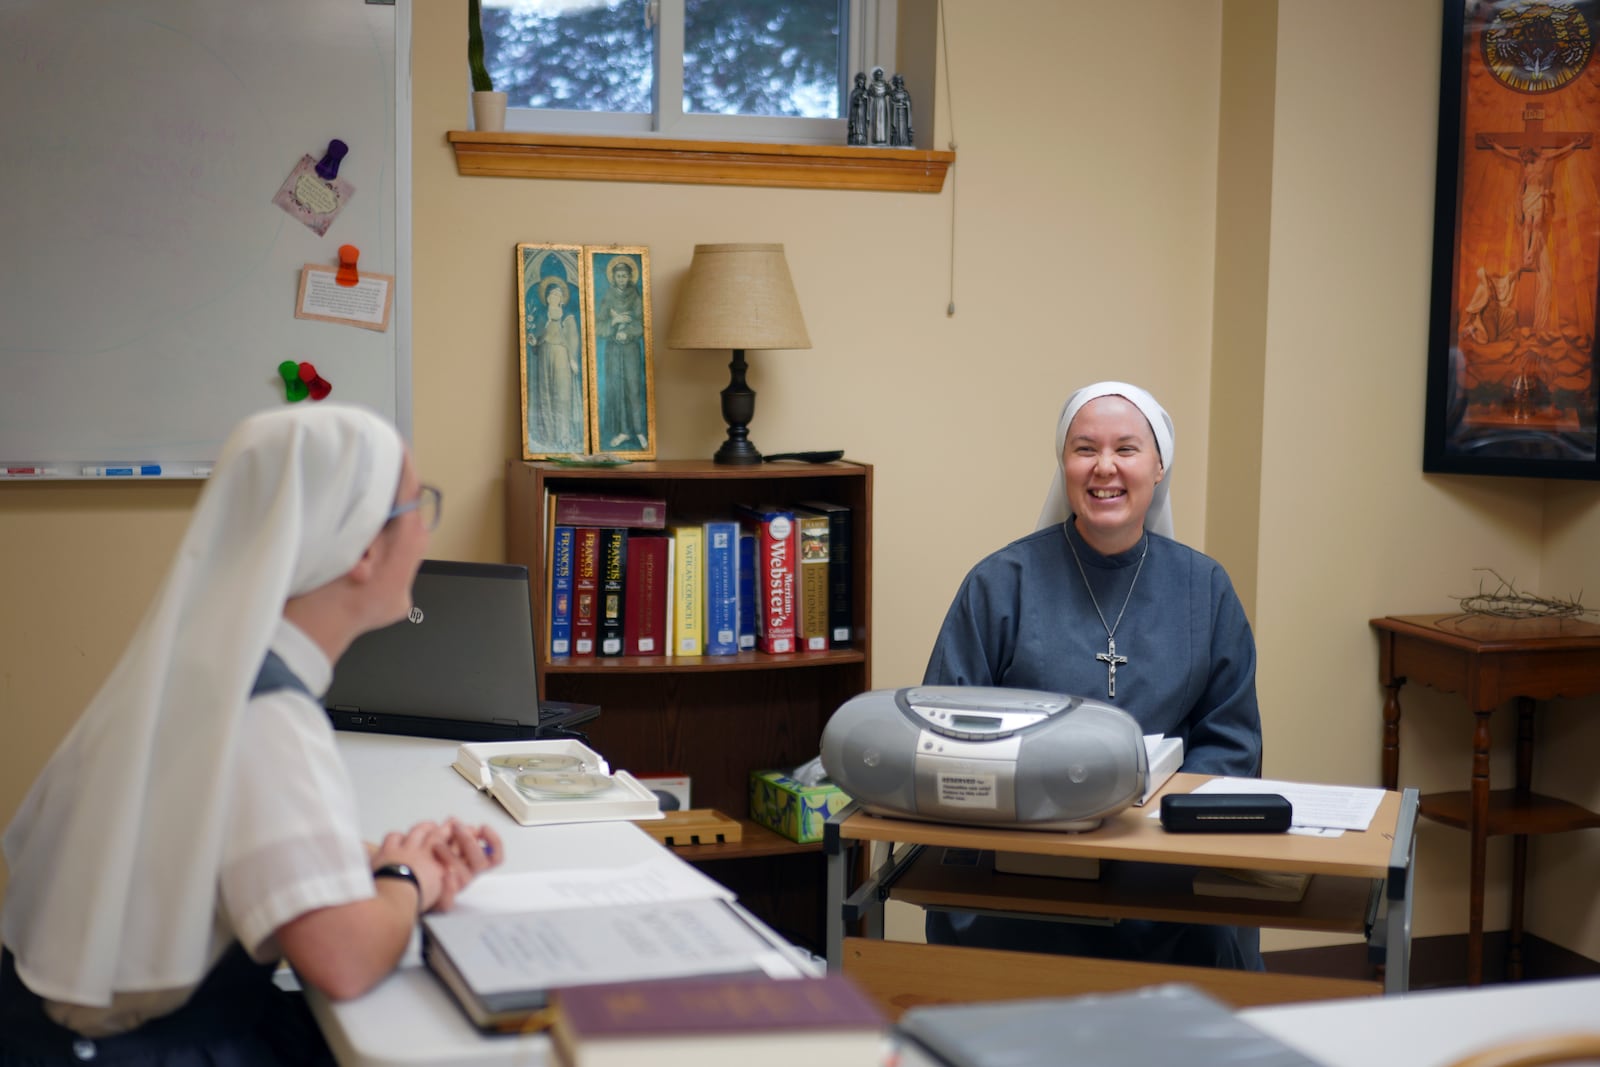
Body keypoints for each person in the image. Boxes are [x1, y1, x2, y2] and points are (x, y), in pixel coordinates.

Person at [0, 405, 505, 1064]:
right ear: (361, 546)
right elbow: (344, 958)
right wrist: (409, 879)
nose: (424, 532)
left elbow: (220, 840)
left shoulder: (200, 667)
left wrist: (377, 855)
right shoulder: (267, 713)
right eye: (419, 506)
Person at [923, 381, 1264, 970]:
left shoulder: (1205, 589)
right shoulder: (1000, 582)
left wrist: (1149, 823)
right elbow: (943, 730)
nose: (1104, 467)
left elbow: (1232, 744)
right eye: (1085, 449)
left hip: (1159, 863)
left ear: (1159, 467)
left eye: (1127, 449)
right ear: (1064, 465)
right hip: (1021, 860)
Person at [595, 257, 648, 450]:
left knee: (633, 387)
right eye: (618, 276)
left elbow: (642, 322)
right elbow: (599, 326)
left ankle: (639, 431)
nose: (621, 279)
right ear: (613, 278)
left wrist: (627, 330)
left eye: (625, 275)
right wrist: (614, 322)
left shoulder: (635, 295)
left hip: (630, 348)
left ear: (630, 276)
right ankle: (624, 431)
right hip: (613, 350)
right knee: (618, 389)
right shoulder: (608, 296)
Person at [532, 275, 583, 453]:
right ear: (547, 298)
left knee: (562, 395)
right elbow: (538, 338)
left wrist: (572, 360)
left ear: (562, 299)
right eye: (552, 295)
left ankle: (564, 437)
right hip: (545, 355)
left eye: (558, 295)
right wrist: (534, 341)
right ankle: (549, 437)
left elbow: (572, 339)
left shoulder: (567, 317)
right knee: (545, 393)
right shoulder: (542, 316)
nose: (554, 298)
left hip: (561, 355)